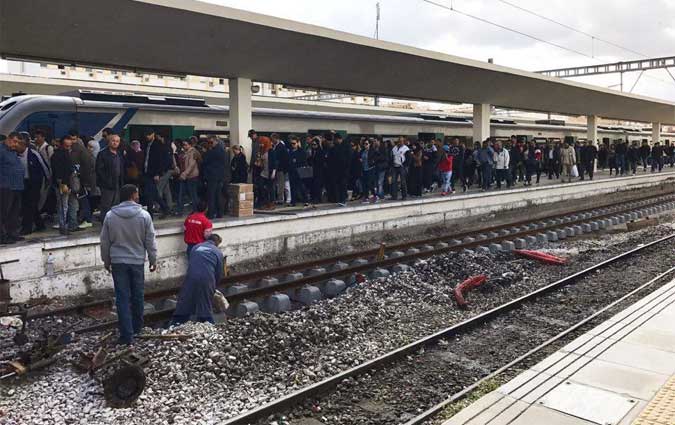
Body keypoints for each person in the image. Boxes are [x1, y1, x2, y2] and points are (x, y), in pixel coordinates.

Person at [100, 184, 157, 345]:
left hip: (118, 262)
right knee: (138, 295)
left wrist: (106, 260)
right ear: (133, 195)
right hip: (137, 261)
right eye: (137, 193)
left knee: (122, 298)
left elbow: (105, 242)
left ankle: (127, 335)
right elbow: (150, 240)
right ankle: (137, 328)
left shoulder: (110, 216)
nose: (139, 195)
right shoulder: (144, 216)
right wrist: (153, 259)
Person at [171, 234, 224, 326]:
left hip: (191, 277)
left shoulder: (195, 247)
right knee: (205, 304)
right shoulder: (217, 252)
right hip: (207, 278)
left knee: (186, 301)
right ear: (217, 243)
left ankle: (176, 324)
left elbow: (193, 262)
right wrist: (214, 286)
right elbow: (219, 272)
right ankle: (208, 324)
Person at [17, 136, 49, 235]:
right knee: (30, 205)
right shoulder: (15, 155)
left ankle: (27, 228)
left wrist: (48, 179)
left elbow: (44, 166)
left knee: (30, 205)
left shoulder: (33, 154)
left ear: (23, 145)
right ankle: (40, 224)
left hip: (34, 183)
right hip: (23, 182)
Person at [51, 135, 79, 235]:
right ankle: (63, 226)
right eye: (67, 146)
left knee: (65, 204)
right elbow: (60, 171)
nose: (69, 148)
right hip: (62, 183)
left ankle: (65, 225)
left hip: (64, 182)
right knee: (63, 205)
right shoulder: (61, 155)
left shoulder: (59, 154)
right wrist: (64, 184)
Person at [0, 133, 25, 244]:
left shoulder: (13, 151)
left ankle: (12, 233)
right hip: (5, 186)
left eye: (18, 142)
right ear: (8, 139)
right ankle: (2, 235)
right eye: (14, 141)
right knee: (4, 212)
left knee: (15, 212)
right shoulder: (1, 150)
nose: (16, 144)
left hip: (17, 186)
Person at [142, 129, 171, 217]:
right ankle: (165, 209)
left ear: (153, 134)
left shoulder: (158, 145)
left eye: (149, 135)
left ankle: (151, 213)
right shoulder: (147, 144)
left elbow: (161, 160)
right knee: (153, 193)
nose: (147, 137)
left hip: (153, 172)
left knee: (149, 193)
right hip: (147, 171)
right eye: (146, 135)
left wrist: (158, 173)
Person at [96, 134, 125, 220]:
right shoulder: (102, 154)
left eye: (117, 141)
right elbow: (99, 170)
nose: (115, 143)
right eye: (113, 141)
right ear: (109, 142)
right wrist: (106, 181)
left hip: (118, 183)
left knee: (116, 205)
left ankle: (114, 223)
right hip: (107, 184)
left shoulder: (119, 154)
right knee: (106, 205)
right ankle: (105, 223)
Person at [201, 135, 226, 219]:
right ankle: (220, 213)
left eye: (211, 142)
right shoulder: (222, 150)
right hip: (219, 176)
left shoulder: (213, 151)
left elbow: (205, 161)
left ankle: (211, 213)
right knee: (218, 194)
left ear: (216, 141)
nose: (210, 144)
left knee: (211, 195)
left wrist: (206, 152)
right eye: (208, 143)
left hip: (212, 176)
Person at [176, 138, 201, 215]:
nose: (184, 146)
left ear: (190, 145)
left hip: (192, 176)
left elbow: (191, 165)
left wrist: (184, 174)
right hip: (186, 176)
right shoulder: (186, 152)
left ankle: (196, 210)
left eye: (185, 145)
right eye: (183, 145)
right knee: (182, 194)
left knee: (193, 194)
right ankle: (180, 210)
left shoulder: (193, 152)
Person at [287, 136, 309, 206]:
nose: (292, 145)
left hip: (300, 171)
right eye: (291, 143)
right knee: (292, 187)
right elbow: (289, 161)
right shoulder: (290, 151)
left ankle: (306, 200)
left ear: (297, 143)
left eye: (294, 143)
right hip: (292, 171)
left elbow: (304, 161)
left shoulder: (301, 151)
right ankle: (293, 202)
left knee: (302, 186)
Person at [390, 136, 410, 200]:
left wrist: (404, 165)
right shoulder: (394, 148)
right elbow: (392, 156)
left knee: (403, 182)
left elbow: (408, 158)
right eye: (399, 141)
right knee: (393, 181)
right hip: (394, 166)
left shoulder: (406, 148)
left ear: (403, 141)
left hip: (402, 167)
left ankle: (404, 196)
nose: (400, 142)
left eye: (401, 141)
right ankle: (394, 196)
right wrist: (391, 164)